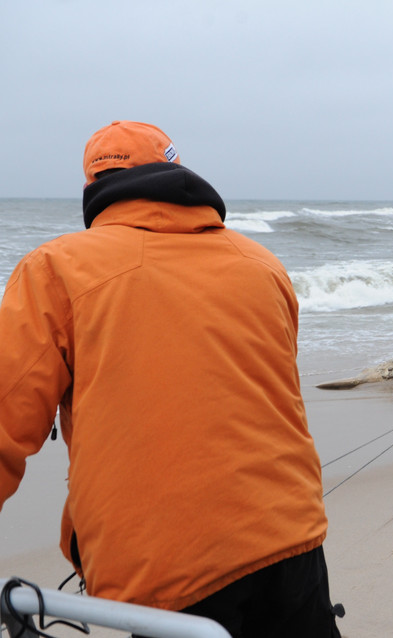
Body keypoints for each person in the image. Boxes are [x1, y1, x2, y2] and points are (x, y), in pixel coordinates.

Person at [0, 121, 342, 637]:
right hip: (291, 536)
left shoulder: (55, 269)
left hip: (170, 562)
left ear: (92, 189)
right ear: (174, 171)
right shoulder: (262, 263)